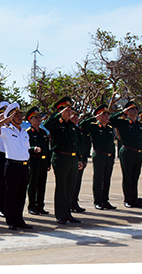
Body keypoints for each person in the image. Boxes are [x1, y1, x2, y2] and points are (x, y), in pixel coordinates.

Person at [0, 102, 33, 230]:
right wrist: (7, 120)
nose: (21, 117)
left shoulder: (24, 132)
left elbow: (25, 149)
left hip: (24, 166)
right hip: (12, 165)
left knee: (21, 195)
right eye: (17, 115)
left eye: (21, 115)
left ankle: (20, 219)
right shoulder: (7, 131)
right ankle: (11, 220)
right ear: (11, 117)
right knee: (11, 194)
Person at [43, 96, 82, 225]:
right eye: (66, 109)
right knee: (61, 187)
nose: (69, 112)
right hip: (60, 157)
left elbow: (76, 143)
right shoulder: (55, 124)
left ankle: (68, 213)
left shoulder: (72, 125)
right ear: (60, 111)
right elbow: (46, 125)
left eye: (70, 110)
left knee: (70, 187)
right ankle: (60, 215)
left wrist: (79, 158)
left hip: (72, 158)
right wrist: (57, 115)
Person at [110, 100, 142, 208]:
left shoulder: (139, 125)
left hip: (138, 154)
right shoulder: (123, 122)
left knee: (135, 177)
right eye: (132, 110)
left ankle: (134, 199)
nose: (135, 111)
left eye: (136, 109)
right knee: (128, 177)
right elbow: (112, 119)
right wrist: (122, 112)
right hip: (127, 152)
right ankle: (128, 200)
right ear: (127, 112)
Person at [80, 104, 117, 210]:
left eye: (107, 114)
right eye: (103, 114)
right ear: (98, 116)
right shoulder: (94, 127)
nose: (106, 116)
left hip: (109, 157)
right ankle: (98, 201)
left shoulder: (110, 128)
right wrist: (94, 118)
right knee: (98, 178)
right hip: (99, 155)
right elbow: (83, 124)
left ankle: (105, 200)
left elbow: (111, 143)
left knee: (107, 179)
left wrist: (113, 156)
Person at [26, 106, 51, 215]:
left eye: (39, 117)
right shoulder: (28, 133)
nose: (38, 119)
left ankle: (40, 205)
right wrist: (33, 149)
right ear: (30, 120)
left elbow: (47, 147)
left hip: (43, 161)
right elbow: (24, 147)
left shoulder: (43, 132)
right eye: (35, 117)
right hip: (33, 161)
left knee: (42, 184)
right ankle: (32, 206)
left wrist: (48, 162)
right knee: (33, 184)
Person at [70, 109, 90, 213]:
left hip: (81, 160)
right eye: (72, 116)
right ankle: (69, 203)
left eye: (77, 117)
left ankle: (74, 202)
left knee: (77, 183)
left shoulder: (81, 131)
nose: (75, 119)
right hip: (72, 159)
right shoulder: (69, 130)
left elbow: (85, 146)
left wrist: (84, 159)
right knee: (70, 183)